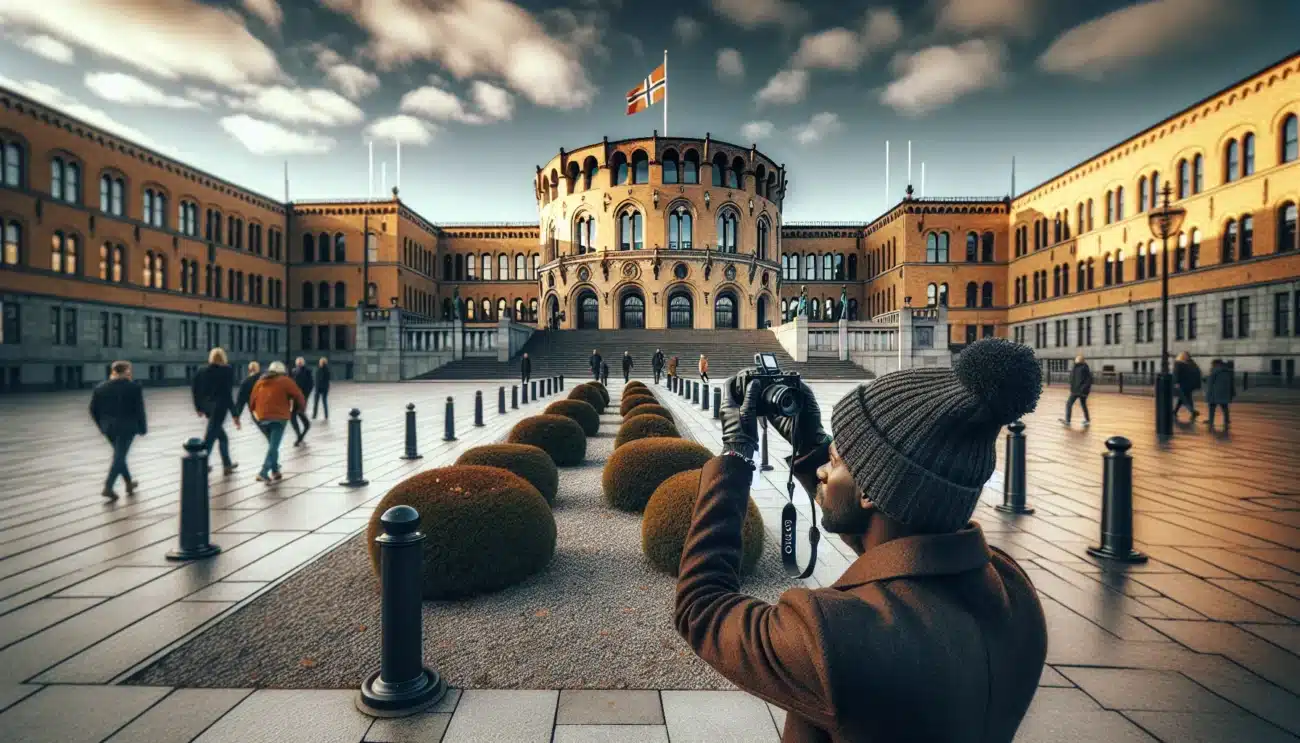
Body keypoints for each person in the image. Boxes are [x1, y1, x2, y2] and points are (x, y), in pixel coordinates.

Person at [678, 338, 1048, 742]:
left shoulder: (837, 635)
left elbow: (701, 608)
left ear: (872, 491)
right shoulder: (1014, 589)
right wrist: (812, 444)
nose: (823, 471)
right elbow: (895, 548)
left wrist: (735, 455)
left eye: (835, 461)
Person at [90, 360, 148, 500]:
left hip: (109, 428)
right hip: (127, 427)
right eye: (129, 370)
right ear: (127, 371)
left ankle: (129, 483)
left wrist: (101, 425)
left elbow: (93, 409)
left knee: (119, 455)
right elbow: (139, 410)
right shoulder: (133, 387)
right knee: (119, 456)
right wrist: (143, 428)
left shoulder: (100, 387)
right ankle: (108, 487)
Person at [249, 361, 305, 484]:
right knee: (274, 446)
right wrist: (301, 408)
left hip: (262, 417)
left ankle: (275, 471)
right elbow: (298, 394)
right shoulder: (285, 381)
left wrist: (256, 413)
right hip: (279, 417)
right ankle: (263, 472)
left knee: (272, 445)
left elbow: (252, 400)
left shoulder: (260, 381)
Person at [191, 347, 240, 474]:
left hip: (207, 407)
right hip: (220, 408)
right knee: (210, 436)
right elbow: (227, 394)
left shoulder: (201, 371)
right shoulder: (227, 371)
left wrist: (198, 407)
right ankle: (201, 464)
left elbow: (195, 390)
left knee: (222, 437)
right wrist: (235, 414)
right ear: (223, 358)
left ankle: (227, 465)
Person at [233, 361, 268, 440]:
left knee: (267, 434)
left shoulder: (245, 383)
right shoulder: (265, 379)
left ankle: (272, 444)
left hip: (256, 412)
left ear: (249, 370)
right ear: (258, 369)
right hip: (270, 409)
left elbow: (240, 403)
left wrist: (237, 417)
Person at [1060, 354, 1092, 427]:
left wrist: (1083, 389)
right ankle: (1085, 420)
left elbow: (1088, 380)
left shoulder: (1084, 368)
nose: (1076, 359)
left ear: (1081, 360)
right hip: (1075, 390)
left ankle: (1069, 421)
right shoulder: (1075, 367)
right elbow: (1072, 378)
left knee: (1073, 404)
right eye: (1076, 358)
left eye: (1078, 358)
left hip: (1080, 391)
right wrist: (1072, 386)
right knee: (1073, 404)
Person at [289, 357, 314, 445]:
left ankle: (305, 428)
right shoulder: (293, 371)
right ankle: (299, 435)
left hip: (302, 398)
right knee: (292, 416)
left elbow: (310, 385)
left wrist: (305, 396)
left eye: (301, 362)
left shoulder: (307, 372)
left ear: (303, 363)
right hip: (293, 398)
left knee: (300, 414)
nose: (299, 363)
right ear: (296, 363)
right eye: (298, 362)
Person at [1205, 359, 1235, 429]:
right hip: (1224, 392)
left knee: (1212, 408)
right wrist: (1232, 392)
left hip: (1214, 393)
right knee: (1224, 407)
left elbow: (1210, 382)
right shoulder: (1228, 371)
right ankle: (1226, 420)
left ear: (1215, 364)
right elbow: (1231, 383)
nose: (1211, 365)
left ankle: (1211, 421)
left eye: (1212, 364)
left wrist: (1208, 393)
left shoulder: (1214, 370)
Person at [1172, 351, 1201, 420]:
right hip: (1189, 385)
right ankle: (1175, 411)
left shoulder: (1178, 363)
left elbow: (1176, 374)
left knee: (1184, 399)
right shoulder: (1192, 364)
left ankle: (1192, 411)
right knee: (1184, 398)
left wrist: (1176, 383)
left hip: (1181, 385)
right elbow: (1197, 373)